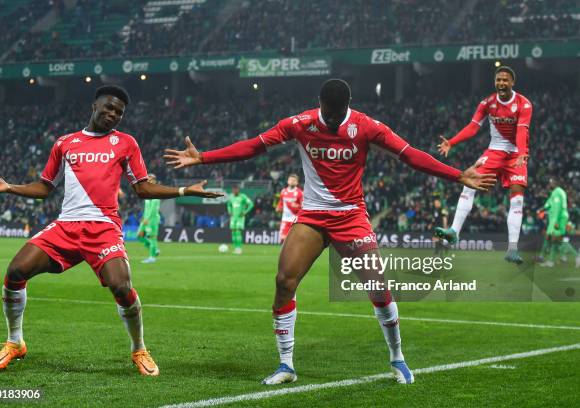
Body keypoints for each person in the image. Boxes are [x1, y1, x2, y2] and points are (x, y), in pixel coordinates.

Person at [164, 79, 496, 385]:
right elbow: (254, 146)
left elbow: (409, 155)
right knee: (284, 281)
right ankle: (286, 365)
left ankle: (397, 358)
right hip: (313, 217)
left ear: (348, 105)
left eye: (339, 112)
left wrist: (457, 176)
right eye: (329, 111)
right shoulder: (301, 123)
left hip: (351, 216)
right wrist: (203, 158)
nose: (334, 117)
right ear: (320, 104)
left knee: (377, 288)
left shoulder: (366, 126)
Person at [0, 85, 221, 376]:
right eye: (109, 107)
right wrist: (10, 188)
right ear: (94, 105)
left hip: (103, 227)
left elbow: (142, 187)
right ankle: (15, 342)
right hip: (66, 226)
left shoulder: (126, 143)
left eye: (119, 112)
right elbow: (45, 187)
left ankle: (139, 348)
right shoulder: (64, 144)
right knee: (16, 271)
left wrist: (183, 190)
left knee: (121, 285)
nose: (114, 114)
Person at [435, 66, 533, 264]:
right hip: (494, 152)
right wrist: (451, 142)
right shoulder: (487, 103)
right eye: (499, 80)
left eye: (505, 80)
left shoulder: (524, 104)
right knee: (468, 182)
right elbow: (473, 127)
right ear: (495, 82)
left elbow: (522, 130)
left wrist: (522, 153)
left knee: (517, 199)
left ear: (512, 83)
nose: (502, 83)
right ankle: (454, 231)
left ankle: (512, 249)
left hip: (515, 155)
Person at [538, 178, 571, 267]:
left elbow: (557, 207)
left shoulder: (557, 192)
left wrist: (556, 221)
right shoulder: (558, 192)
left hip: (557, 218)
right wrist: (542, 209)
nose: (549, 184)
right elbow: (549, 204)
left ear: (555, 183)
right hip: (557, 217)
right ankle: (551, 258)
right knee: (551, 237)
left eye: (551, 183)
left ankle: (572, 255)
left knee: (554, 238)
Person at [137, 173, 161, 263]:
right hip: (145, 219)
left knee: (152, 237)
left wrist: (148, 218)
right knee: (139, 236)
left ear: (154, 181)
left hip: (153, 219)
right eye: (148, 179)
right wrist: (144, 217)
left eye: (150, 179)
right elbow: (147, 208)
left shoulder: (156, 191)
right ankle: (155, 249)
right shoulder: (148, 192)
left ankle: (152, 257)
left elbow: (154, 209)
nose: (148, 181)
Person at [276, 174, 303, 243]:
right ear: (288, 181)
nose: (292, 181)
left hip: (295, 220)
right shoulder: (283, 191)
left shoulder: (300, 193)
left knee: (294, 240)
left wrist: (297, 206)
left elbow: (303, 207)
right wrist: (279, 207)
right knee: (282, 239)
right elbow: (281, 202)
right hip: (285, 219)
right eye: (290, 180)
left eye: (294, 180)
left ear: (297, 183)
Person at [227, 185, 254, 255]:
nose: (234, 191)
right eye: (233, 190)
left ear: (238, 190)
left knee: (238, 232)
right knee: (233, 232)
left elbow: (251, 204)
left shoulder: (243, 196)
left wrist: (245, 212)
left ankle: (239, 249)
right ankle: (236, 248)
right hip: (233, 217)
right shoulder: (231, 197)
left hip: (240, 218)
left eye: (236, 189)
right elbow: (228, 205)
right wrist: (230, 211)